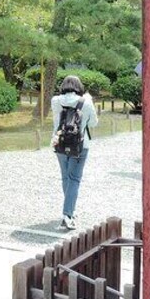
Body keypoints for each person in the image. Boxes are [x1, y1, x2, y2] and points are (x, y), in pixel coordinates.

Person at [51, 75, 98, 230]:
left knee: (66, 177)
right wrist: (88, 100)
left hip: (59, 143)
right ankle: (68, 214)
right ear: (79, 87)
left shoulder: (55, 100)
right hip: (80, 145)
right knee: (74, 179)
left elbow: (56, 121)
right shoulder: (86, 102)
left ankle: (69, 209)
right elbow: (93, 123)